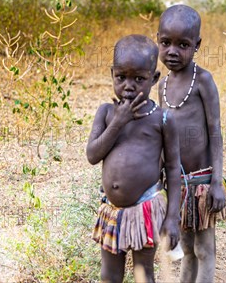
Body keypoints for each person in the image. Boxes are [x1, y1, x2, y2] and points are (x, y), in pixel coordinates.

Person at [87, 35, 181, 283]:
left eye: (139, 79)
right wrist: (118, 123)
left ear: (154, 78)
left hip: (145, 207)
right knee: (109, 275)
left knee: (143, 273)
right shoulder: (107, 113)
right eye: (121, 77)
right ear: (112, 74)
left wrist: (172, 218)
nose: (129, 85)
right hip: (112, 209)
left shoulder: (162, 119)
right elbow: (92, 155)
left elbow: (172, 169)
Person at [157, 4, 226, 283]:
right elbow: (162, 133)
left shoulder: (203, 80)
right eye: (165, 43)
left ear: (197, 45)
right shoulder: (162, 85)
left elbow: (215, 131)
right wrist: (160, 182)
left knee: (204, 247)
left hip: (203, 182)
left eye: (183, 45)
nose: (172, 51)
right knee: (186, 246)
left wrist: (217, 181)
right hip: (176, 181)